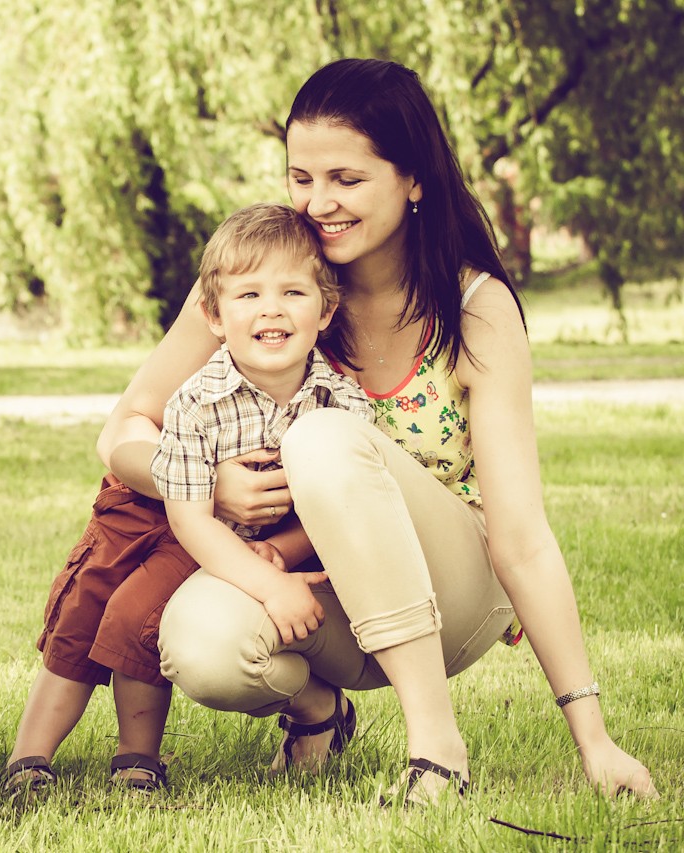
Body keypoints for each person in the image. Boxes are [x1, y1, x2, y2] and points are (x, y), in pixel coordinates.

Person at [97, 58, 657, 805]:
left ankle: (436, 750)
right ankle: (320, 712)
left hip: (455, 590)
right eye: (302, 177)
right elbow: (125, 427)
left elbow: (521, 537)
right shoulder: (269, 285)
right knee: (201, 643)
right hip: (319, 590)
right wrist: (207, 483)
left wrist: (593, 735)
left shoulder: (475, 308)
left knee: (322, 437)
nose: (317, 202)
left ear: (413, 178)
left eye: (346, 179)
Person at [4, 203, 371, 794]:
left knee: (136, 617)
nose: (271, 308)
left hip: (225, 538)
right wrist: (265, 574)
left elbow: (345, 499)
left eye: (292, 293)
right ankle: (29, 759)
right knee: (82, 611)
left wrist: (283, 550)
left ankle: (137, 761)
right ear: (214, 315)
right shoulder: (198, 399)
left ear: (326, 309)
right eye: (248, 294)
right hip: (154, 512)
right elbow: (186, 509)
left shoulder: (338, 400)